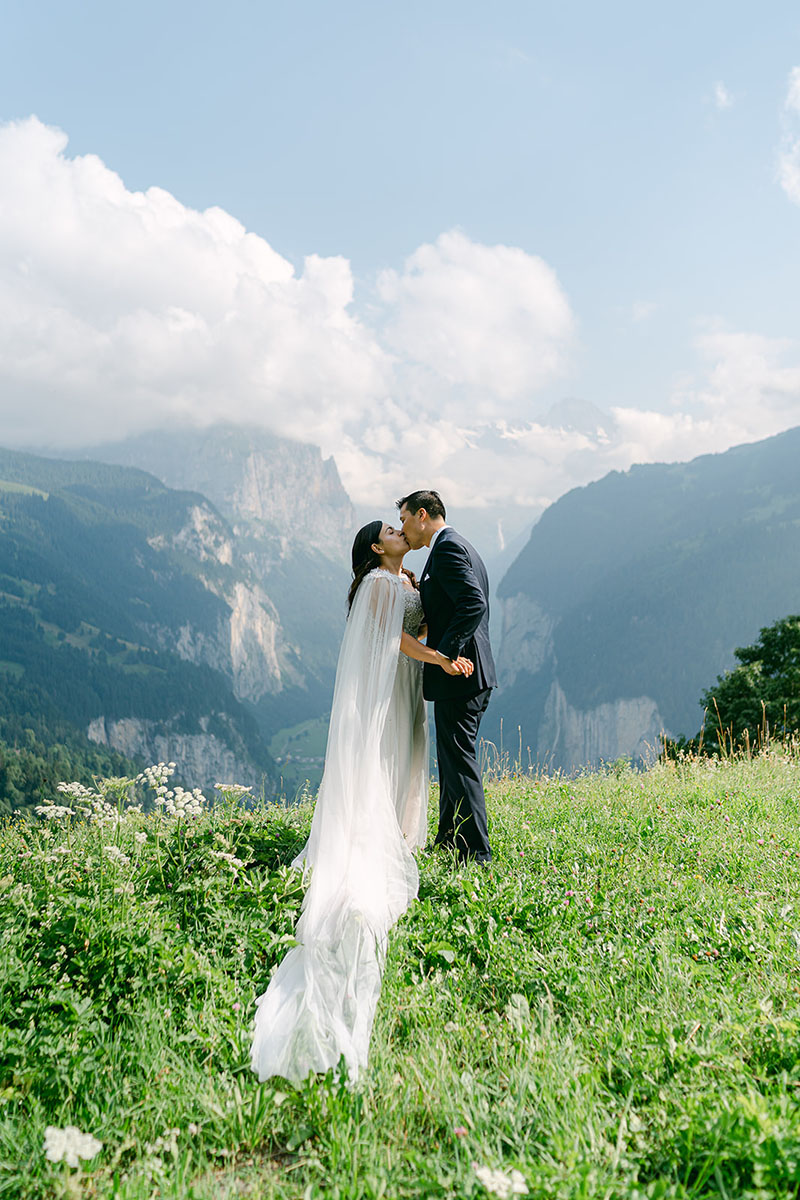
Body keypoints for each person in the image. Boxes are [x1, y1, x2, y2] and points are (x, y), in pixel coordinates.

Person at [250, 520, 472, 1085]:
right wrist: (443, 660)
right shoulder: (377, 583)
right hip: (392, 683)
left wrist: (420, 594)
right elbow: (396, 641)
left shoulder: (400, 581)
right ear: (378, 548)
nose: (400, 530)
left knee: (404, 758)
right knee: (387, 757)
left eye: (403, 525)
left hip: (402, 685)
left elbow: (413, 617)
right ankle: (379, 840)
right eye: (391, 530)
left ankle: (395, 830)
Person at [397, 491, 497, 865]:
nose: (404, 529)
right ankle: (449, 839)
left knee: (460, 760)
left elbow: (474, 603)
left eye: (405, 519)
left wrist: (447, 655)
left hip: (462, 674)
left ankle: (477, 853)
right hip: (466, 674)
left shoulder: (448, 549)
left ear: (422, 515)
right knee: (452, 758)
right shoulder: (454, 546)